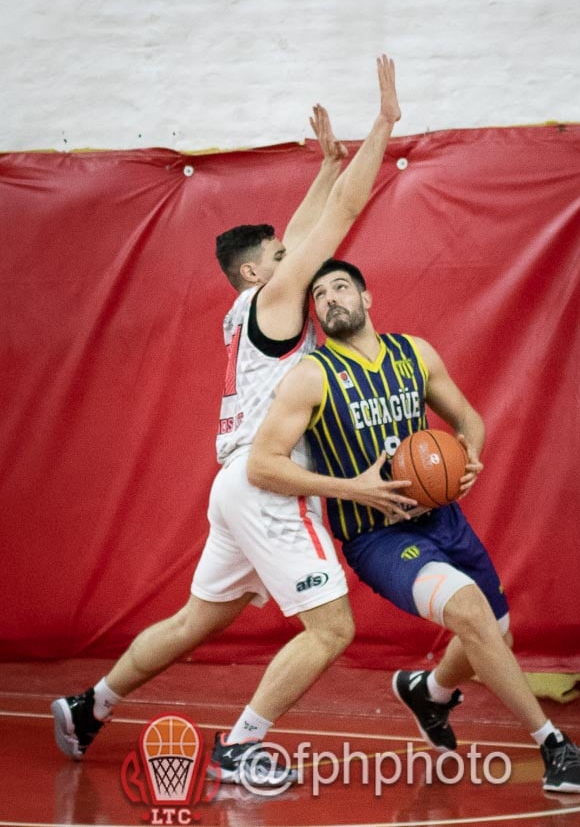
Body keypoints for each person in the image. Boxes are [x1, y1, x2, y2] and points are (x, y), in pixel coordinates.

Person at [51, 58, 402, 788]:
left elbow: (305, 225)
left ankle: (89, 705)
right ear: (258, 274)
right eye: (281, 259)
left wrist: (324, 163)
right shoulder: (275, 304)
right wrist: (384, 126)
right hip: (268, 484)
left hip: (233, 485)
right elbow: (337, 218)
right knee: (333, 629)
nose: (296, 261)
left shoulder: (249, 308)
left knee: (192, 623)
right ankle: (242, 747)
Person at [247, 257, 580, 794]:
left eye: (341, 288)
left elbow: (467, 419)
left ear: (367, 298)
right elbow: (262, 465)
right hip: (378, 536)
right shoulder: (310, 377)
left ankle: (427, 691)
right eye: (320, 295)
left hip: (444, 519)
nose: (331, 299)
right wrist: (355, 489)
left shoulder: (415, 354)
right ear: (314, 313)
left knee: (496, 636)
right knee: (473, 613)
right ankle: (552, 742)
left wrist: (470, 455)